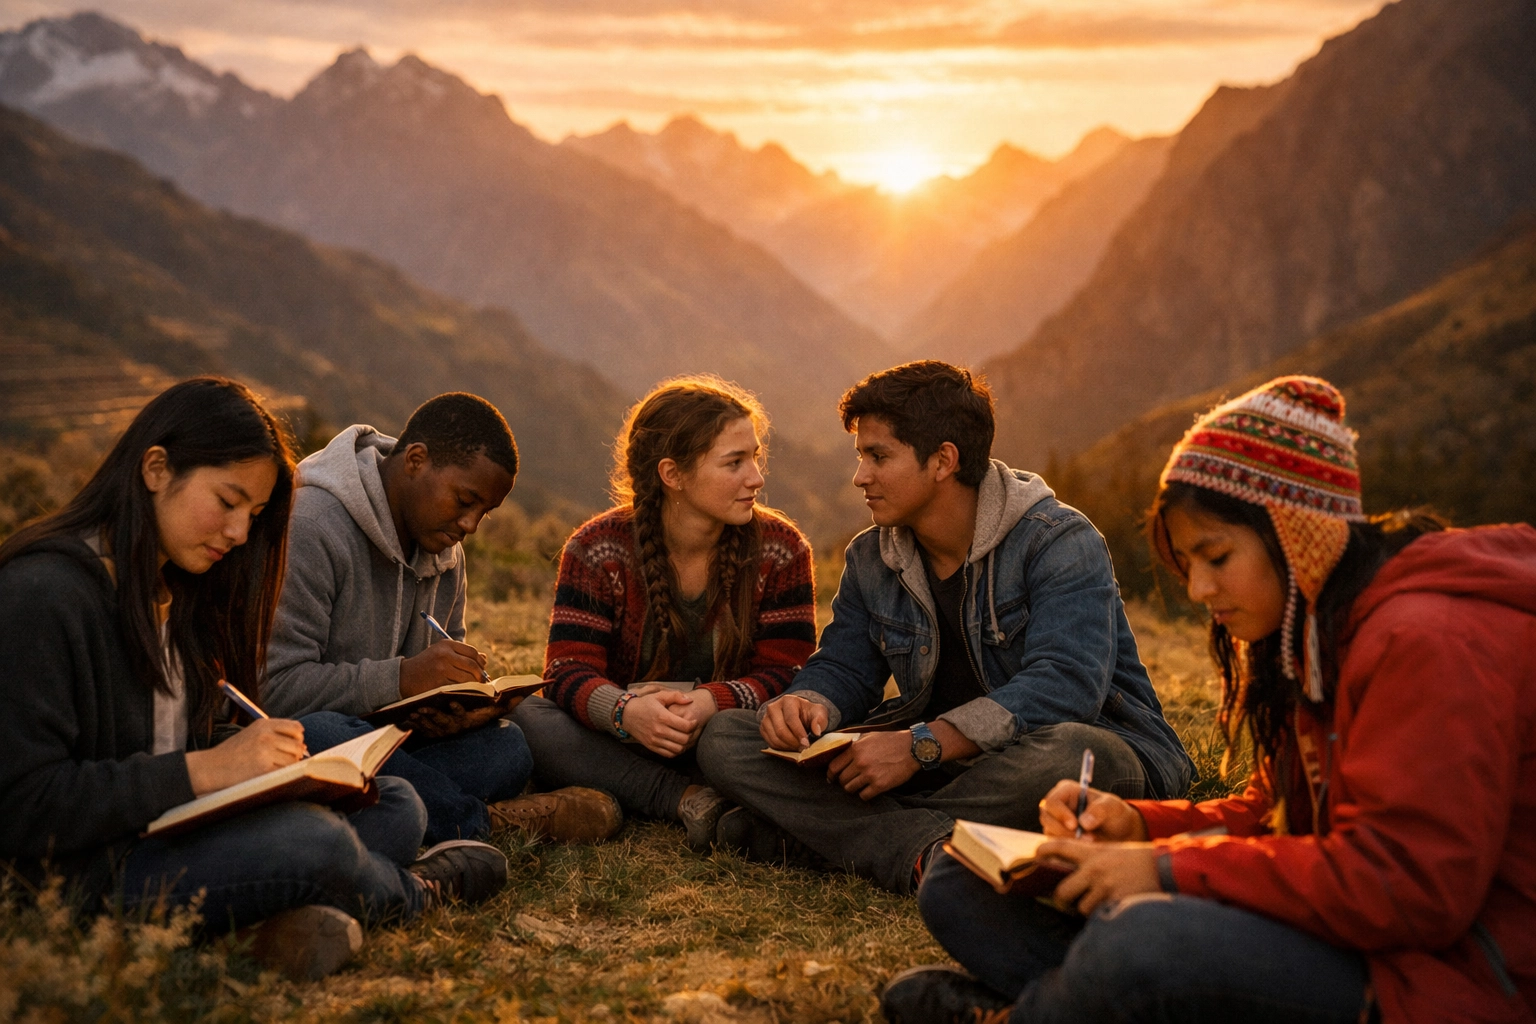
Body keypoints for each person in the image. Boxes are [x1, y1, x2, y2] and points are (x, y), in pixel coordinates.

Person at [889, 375, 1536, 1024]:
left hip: (1448, 978)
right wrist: (1139, 827)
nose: (1198, 588)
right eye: (1186, 563)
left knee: (1143, 941)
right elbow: (1277, 813)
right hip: (1342, 933)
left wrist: (1166, 872)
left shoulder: (1425, 640)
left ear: (1296, 536)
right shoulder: (1313, 630)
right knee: (960, 879)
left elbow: (1408, 889)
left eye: (1216, 557)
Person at [0, 378, 508, 982]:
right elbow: (21, 807)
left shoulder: (180, 587)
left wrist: (273, 773)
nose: (241, 533)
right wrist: (210, 771)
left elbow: (174, 735)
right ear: (156, 469)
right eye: (228, 501)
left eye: (256, 514)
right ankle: (413, 892)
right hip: (84, 869)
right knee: (314, 843)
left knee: (393, 805)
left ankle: (267, 918)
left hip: (171, 825)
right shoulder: (44, 595)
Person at [697, 361, 1192, 894]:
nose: (860, 475)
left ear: (943, 460)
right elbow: (845, 666)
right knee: (727, 736)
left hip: (1085, 756)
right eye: (860, 456)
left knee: (1072, 755)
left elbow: (1066, 686)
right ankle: (929, 846)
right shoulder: (871, 556)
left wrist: (918, 747)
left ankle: (825, 836)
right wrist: (809, 702)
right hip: (940, 764)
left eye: (878, 456)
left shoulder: (1058, 541)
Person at [263, 393, 620, 846]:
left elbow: (436, 667)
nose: (470, 525)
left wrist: (458, 709)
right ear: (415, 460)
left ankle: (401, 811)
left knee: (507, 748)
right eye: (464, 500)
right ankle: (484, 824)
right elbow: (274, 688)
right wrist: (402, 678)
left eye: (484, 513)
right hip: (305, 741)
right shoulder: (312, 526)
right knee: (323, 732)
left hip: (389, 745)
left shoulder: (445, 554)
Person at [512, 376, 818, 850]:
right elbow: (567, 670)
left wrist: (711, 703)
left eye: (755, 458)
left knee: (735, 739)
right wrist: (625, 712)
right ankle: (687, 800)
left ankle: (677, 793)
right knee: (528, 716)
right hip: (622, 738)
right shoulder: (597, 549)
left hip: (723, 738)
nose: (756, 478)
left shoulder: (781, 550)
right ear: (672, 474)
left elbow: (791, 674)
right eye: (734, 463)